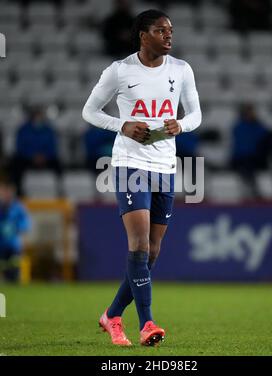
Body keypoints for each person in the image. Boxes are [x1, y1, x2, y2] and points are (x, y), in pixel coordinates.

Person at [82, 9, 201, 346]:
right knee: (138, 244)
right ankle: (147, 323)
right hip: (130, 164)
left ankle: (112, 314)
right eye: (161, 30)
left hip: (165, 166)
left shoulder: (181, 70)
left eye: (171, 31)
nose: (169, 36)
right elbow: (89, 111)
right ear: (143, 34)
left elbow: (196, 113)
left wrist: (182, 124)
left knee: (151, 252)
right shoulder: (119, 71)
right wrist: (122, 125)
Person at [12, 107, 60, 195]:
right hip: (28, 159)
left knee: (58, 164)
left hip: (46, 159)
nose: (38, 119)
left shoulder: (48, 130)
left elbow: (53, 146)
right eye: (36, 116)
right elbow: (20, 147)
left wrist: (44, 156)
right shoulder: (23, 130)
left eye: (40, 116)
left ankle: (59, 190)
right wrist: (32, 156)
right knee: (16, 164)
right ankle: (19, 192)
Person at [0, 179, 31, 282]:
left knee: (14, 265)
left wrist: (18, 228)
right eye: (4, 192)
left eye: (9, 192)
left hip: (13, 243)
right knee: (3, 265)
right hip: (1, 244)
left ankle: (14, 279)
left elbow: (25, 222)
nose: (6, 195)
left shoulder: (18, 207)